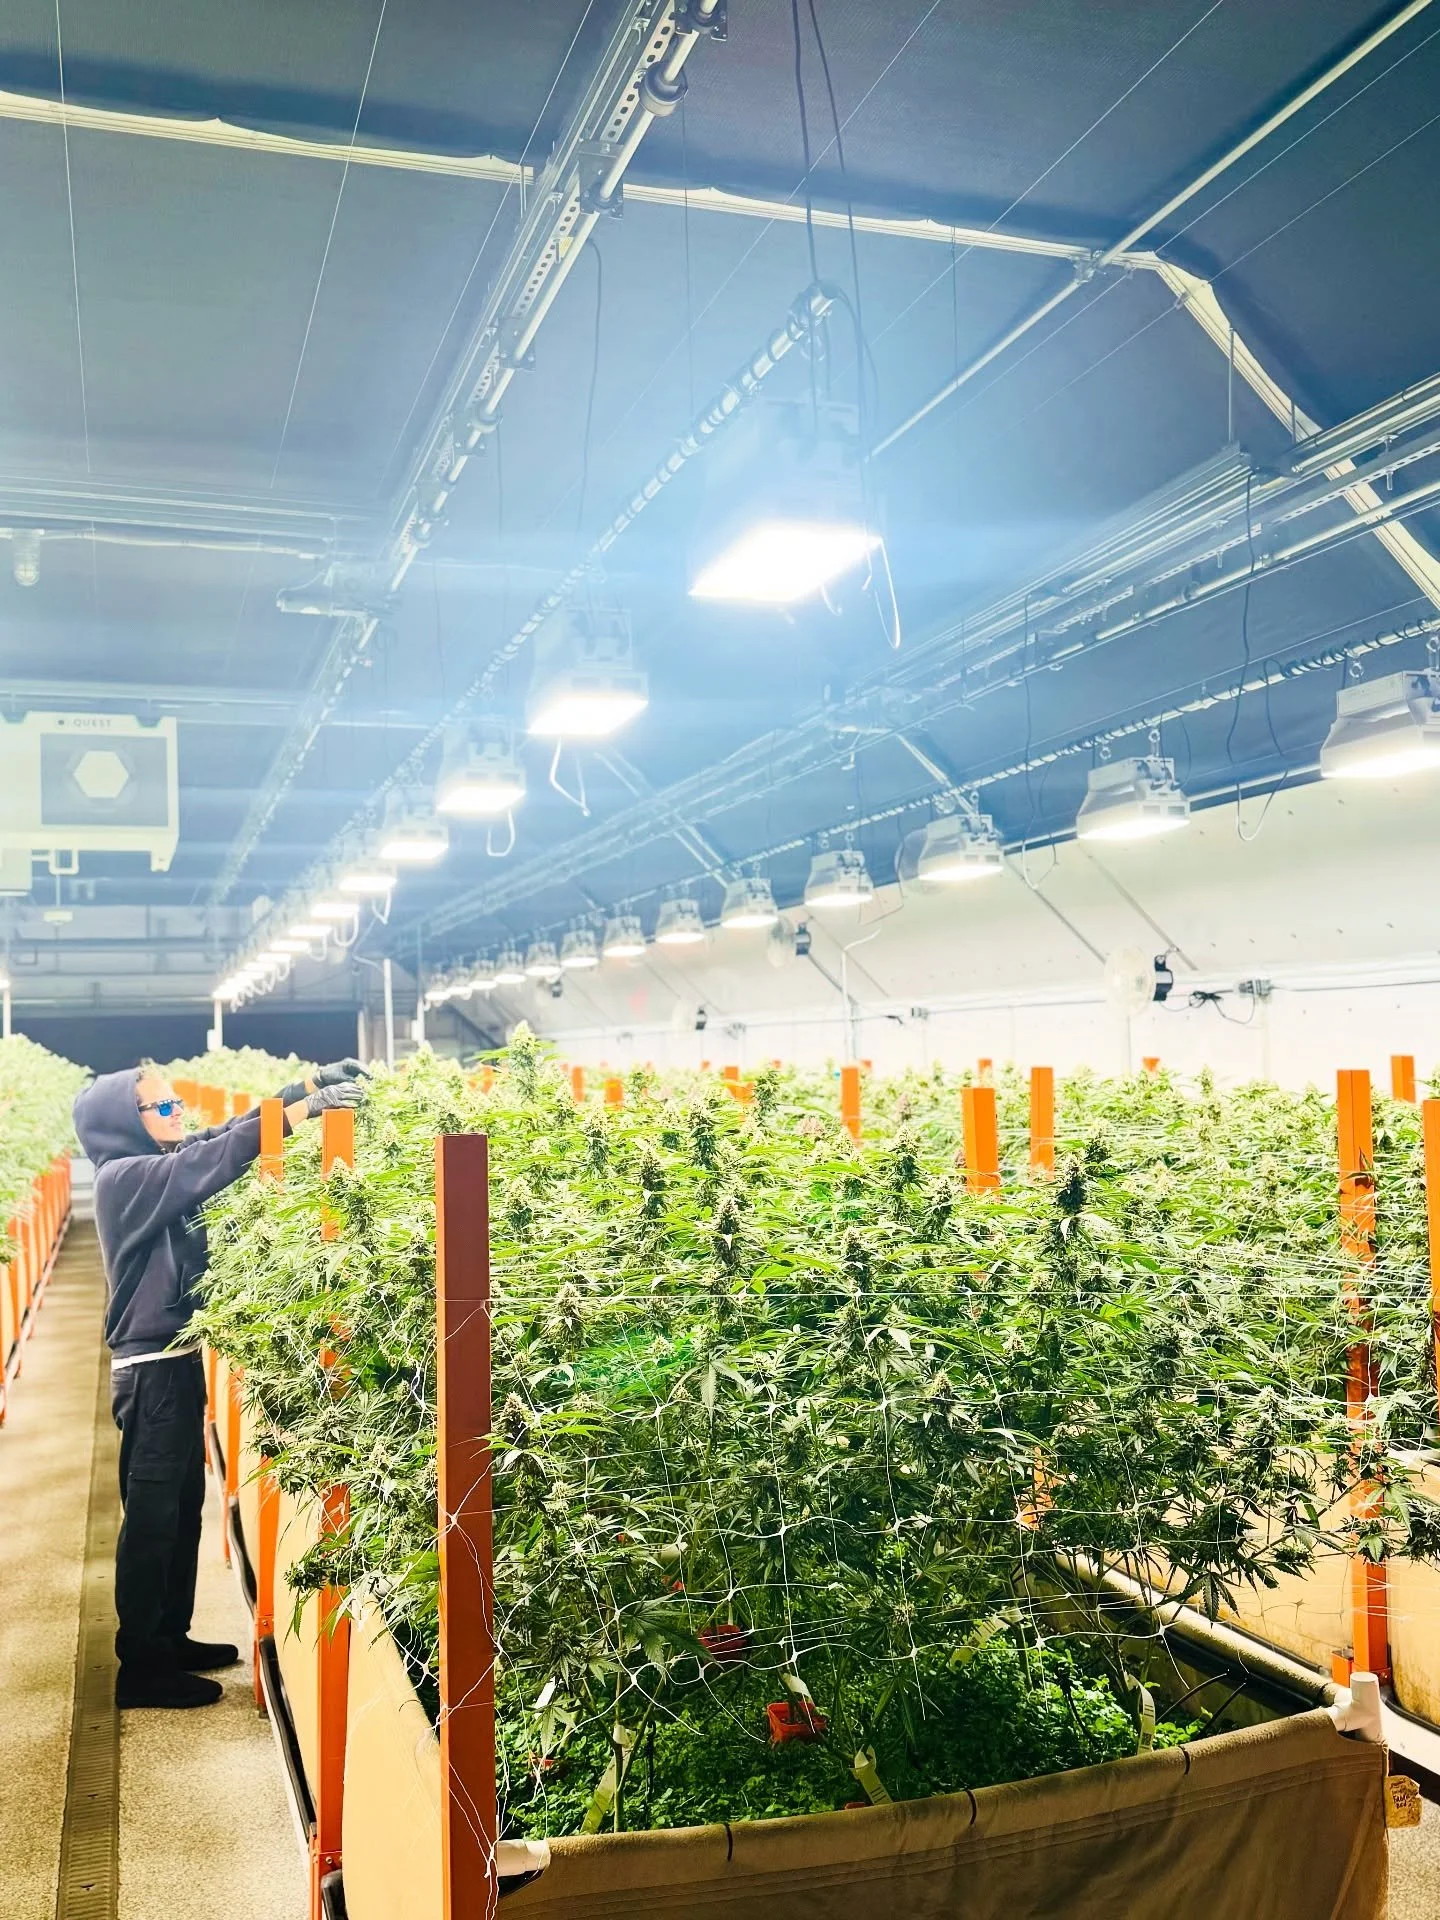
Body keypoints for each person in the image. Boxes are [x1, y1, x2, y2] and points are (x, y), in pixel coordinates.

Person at [71, 1058, 369, 1710]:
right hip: (150, 1374)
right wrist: (303, 1114)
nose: (178, 1113)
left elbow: (219, 1136)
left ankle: (169, 1639)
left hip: (175, 1363)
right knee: (151, 1522)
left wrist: (303, 1089)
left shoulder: (151, 1164)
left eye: (175, 1102)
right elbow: (210, 1160)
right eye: (162, 1106)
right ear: (124, 1120)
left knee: (181, 1513)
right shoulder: (123, 1179)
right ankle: (140, 1667)